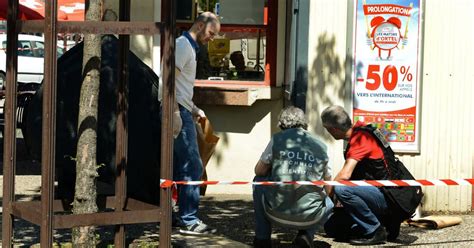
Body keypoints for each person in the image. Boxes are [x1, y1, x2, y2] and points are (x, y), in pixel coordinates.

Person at [162, 12, 220, 235]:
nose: (212, 39)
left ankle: (177, 215)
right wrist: (176, 111)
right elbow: (168, 80)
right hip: (176, 110)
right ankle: (189, 219)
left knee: (180, 166)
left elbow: (177, 84)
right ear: (200, 25)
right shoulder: (184, 46)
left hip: (181, 108)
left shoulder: (186, 46)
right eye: (211, 33)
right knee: (193, 165)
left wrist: (193, 108)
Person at [320, 106, 403, 245]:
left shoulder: (360, 139)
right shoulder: (362, 129)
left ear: (332, 129)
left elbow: (345, 175)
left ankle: (376, 230)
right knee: (332, 229)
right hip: (382, 191)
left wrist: (330, 195)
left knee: (342, 189)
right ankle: (386, 224)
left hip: (387, 195)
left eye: (328, 130)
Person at [253, 106, 333, 248]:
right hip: (310, 216)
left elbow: (259, 171)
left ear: (281, 124)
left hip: (276, 211)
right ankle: (306, 236)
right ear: (304, 123)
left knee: (258, 181)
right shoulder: (321, 145)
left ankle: (262, 238)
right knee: (329, 201)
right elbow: (328, 182)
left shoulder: (277, 139)